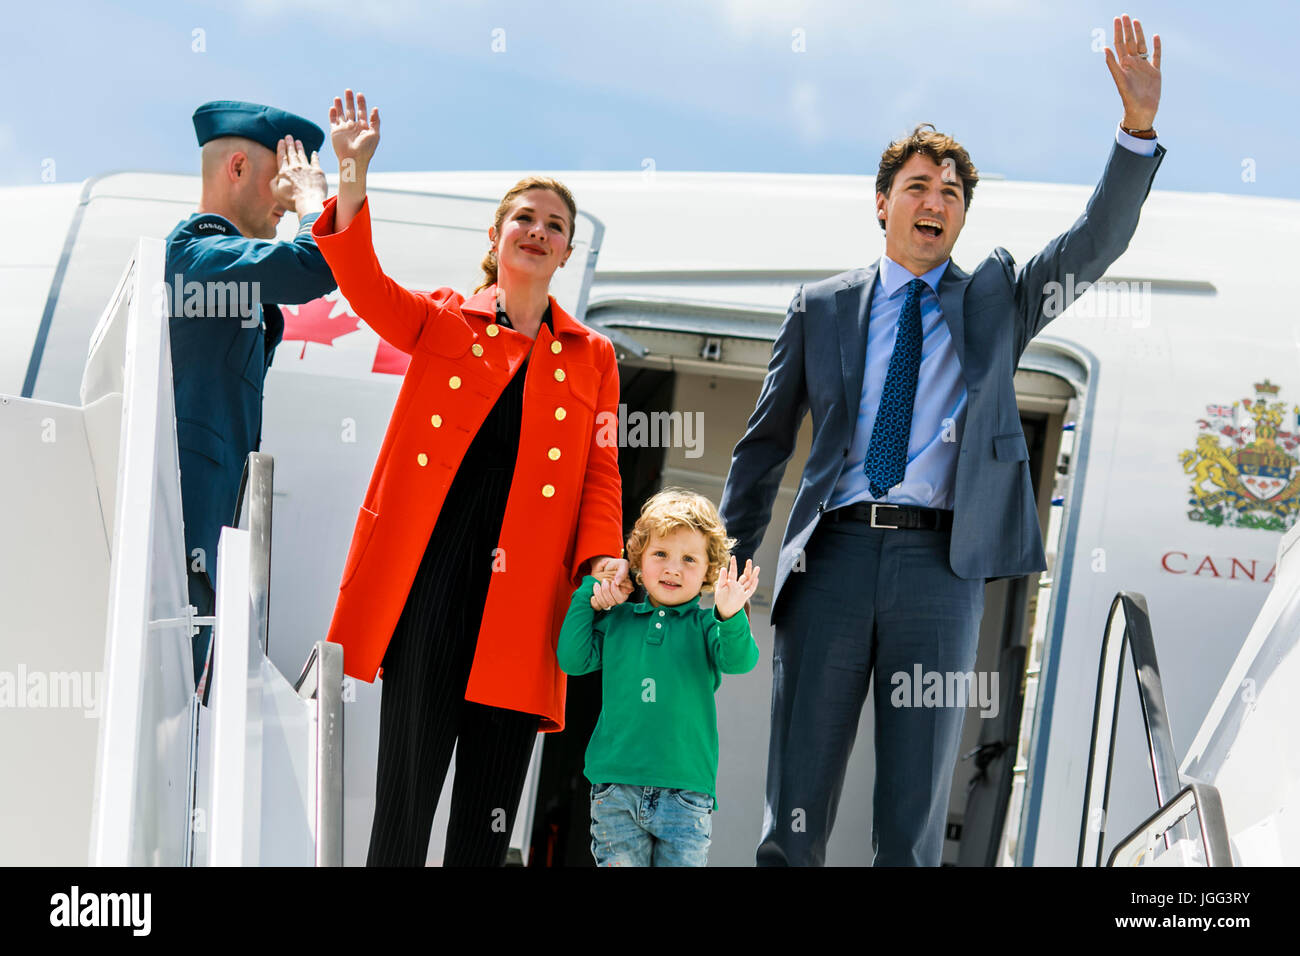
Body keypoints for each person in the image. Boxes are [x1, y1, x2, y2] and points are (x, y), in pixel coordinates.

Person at [718, 15, 1165, 866]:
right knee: (795, 809)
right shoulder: (821, 306)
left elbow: (1093, 245)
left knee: (914, 820)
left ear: (963, 216)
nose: (936, 202)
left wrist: (1135, 133)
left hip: (941, 574)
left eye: (953, 192)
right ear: (882, 202)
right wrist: (731, 556)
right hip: (833, 562)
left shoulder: (997, 300)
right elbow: (763, 444)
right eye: (920, 186)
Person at [315, 89, 630, 866]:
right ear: (496, 237)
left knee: (487, 824)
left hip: (527, 600)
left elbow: (601, 469)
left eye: (555, 226)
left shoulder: (594, 357)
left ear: (565, 254)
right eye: (525, 217)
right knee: (405, 802)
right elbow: (366, 289)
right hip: (433, 580)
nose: (539, 231)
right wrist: (351, 179)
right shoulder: (446, 318)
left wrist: (602, 560)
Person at [167, 100, 337, 701]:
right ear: (236, 165)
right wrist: (316, 200)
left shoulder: (224, 271)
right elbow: (315, 264)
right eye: (284, 172)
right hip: (184, 545)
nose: (289, 195)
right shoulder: (195, 255)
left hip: (209, 550)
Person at [557, 488, 760, 866]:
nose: (673, 568)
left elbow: (739, 661)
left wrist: (731, 615)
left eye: (689, 559)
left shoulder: (707, 625)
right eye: (661, 554)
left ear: (708, 572)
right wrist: (591, 590)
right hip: (615, 790)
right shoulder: (617, 621)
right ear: (638, 561)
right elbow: (572, 659)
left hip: (686, 797)